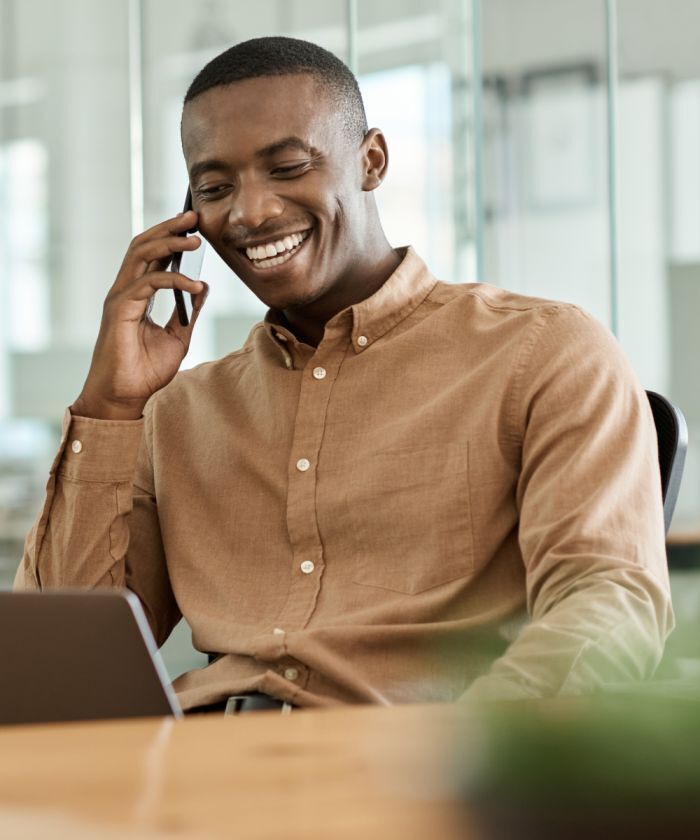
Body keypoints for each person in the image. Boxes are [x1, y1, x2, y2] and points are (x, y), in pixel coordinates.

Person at [15, 37, 672, 711]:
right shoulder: (178, 411)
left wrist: (470, 760)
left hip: (411, 768)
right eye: (214, 188)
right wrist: (110, 405)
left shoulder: (543, 352)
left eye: (288, 167)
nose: (250, 212)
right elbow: (60, 666)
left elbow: (606, 605)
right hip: (200, 772)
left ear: (371, 161)